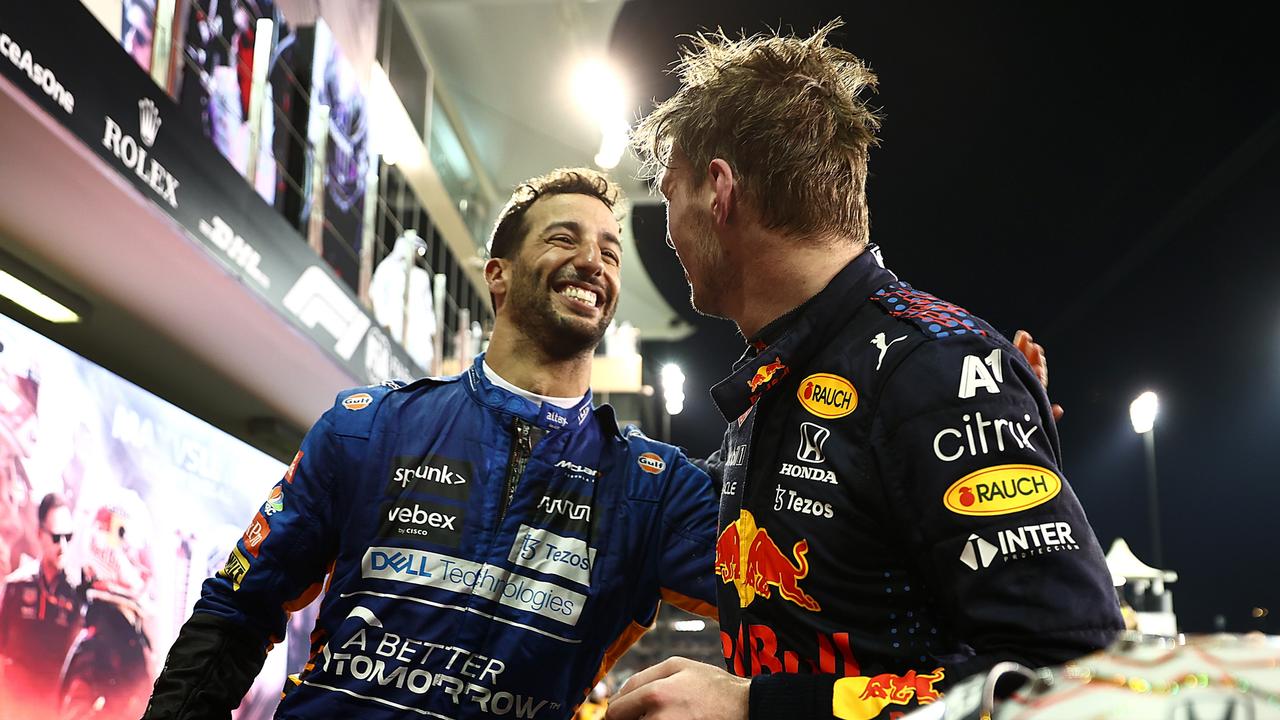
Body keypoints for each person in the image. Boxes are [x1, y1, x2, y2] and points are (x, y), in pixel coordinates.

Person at [610, 20, 1123, 720]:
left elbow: (1074, 684)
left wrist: (756, 707)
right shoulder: (785, 376)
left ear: (719, 192)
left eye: (668, 194)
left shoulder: (936, 367)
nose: (668, 230)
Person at [141, 168, 719, 720]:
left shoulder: (650, 487)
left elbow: (791, 576)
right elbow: (239, 608)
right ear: (499, 273)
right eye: (563, 238)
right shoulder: (369, 425)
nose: (593, 261)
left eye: (610, 252)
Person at [0, 493, 85, 715]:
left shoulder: (78, 596)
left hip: (51, 709)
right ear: (39, 534)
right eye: (57, 537)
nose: (63, 545)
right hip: (12, 707)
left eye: (69, 536)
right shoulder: (15, 586)